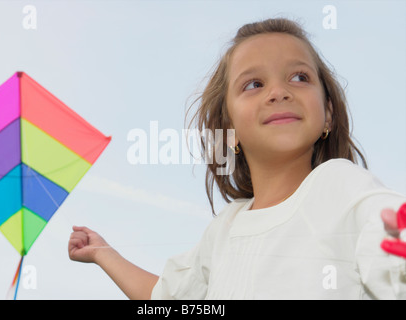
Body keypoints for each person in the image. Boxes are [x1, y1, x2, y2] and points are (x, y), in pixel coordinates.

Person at [68, 18, 406, 299]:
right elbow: (168, 296)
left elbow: (389, 240)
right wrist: (103, 253)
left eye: (299, 77)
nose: (279, 92)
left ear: (328, 113)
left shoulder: (340, 185)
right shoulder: (225, 228)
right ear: (229, 126)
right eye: (254, 84)